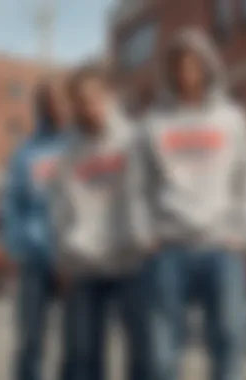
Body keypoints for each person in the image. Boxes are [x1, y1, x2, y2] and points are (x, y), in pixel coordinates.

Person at [137, 27, 246, 380]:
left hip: (221, 247)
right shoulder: (153, 122)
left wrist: (244, 230)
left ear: (208, 67)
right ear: (170, 71)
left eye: (193, 64)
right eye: (179, 65)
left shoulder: (233, 120)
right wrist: (145, 234)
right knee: (163, 351)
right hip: (169, 248)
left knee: (229, 341)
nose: (186, 72)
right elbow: (138, 186)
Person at [54, 66, 151, 380]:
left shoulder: (135, 138)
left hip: (131, 261)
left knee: (142, 356)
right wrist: (64, 257)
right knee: (83, 358)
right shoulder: (68, 153)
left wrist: (150, 237)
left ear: (109, 96)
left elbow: (153, 191)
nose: (89, 106)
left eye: (95, 98)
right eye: (81, 101)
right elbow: (59, 208)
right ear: (74, 106)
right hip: (85, 263)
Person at [3, 78, 71, 380]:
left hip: (75, 259)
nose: (54, 107)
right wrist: (15, 246)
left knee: (77, 344)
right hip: (35, 257)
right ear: (40, 107)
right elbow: (13, 203)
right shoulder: (26, 152)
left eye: (59, 100)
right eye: (47, 101)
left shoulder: (80, 144)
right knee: (31, 340)